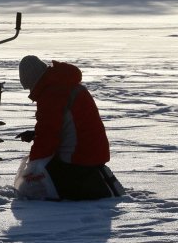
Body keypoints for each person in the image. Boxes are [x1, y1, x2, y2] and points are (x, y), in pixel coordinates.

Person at [15, 55, 123, 200]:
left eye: (29, 86)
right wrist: (35, 134)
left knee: (44, 177)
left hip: (79, 156)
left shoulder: (52, 94)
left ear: (34, 80)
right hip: (95, 151)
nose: (30, 91)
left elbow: (48, 138)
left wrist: (32, 167)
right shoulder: (65, 85)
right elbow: (65, 126)